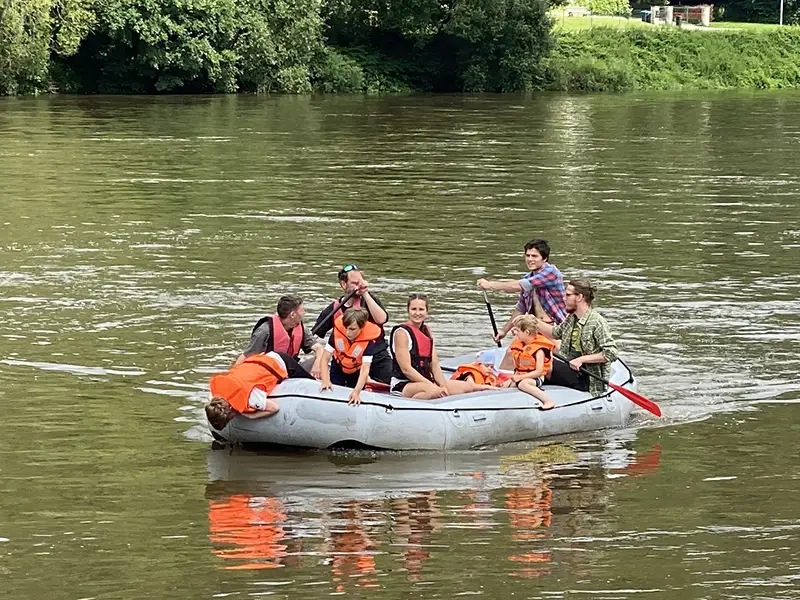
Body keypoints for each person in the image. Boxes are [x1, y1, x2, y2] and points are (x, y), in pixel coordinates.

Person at [390, 293, 494, 399]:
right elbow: (406, 369)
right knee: (434, 392)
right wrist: (432, 385)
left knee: (467, 387)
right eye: (413, 309)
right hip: (404, 384)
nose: (417, 313)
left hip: (425, 381)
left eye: (421, 309)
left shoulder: (426, 332)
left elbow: (434, 365)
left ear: (427, 312)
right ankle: (409, 406)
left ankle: (492, 390)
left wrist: (443, 386)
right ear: (408, 311)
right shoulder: (401, 333)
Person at [537, 278, 618, 397]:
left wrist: (581, 359)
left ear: (579, 297)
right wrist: (533, 323)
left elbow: (611, 353)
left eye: (568, 295)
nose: (564, 299)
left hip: (587, 377)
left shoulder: (597, 322)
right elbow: (555, 333)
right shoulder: (572, 318)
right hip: (569, 368)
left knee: (541, 358)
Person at [476, 239, 567, 344]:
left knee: (548, 352)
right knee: (512, 352)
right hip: (533, 328)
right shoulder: (528, 277)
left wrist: (490, 285)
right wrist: (504, 331)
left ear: (544, 258)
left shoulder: (551, 273)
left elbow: (519, 285)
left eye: (534, 256)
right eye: (527, 256)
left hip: (554, 329)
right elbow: (521, 308)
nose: (530, 259)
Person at [313, 264, 391, 383]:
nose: (358, 286)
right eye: (354, 283)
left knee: (390, 380)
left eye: (360, 282)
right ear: (344, 284)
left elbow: (382, 319)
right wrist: (319, 360)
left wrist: (365, 293)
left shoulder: (370, 300)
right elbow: (315, 336)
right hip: (348, 362)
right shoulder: (334, 309)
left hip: (376, 357)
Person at [205, 351, 313, 430]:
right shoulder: (219, 391)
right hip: (264, 358)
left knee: (311, 383)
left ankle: (316, 362)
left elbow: (274, 408)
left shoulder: (250, 398)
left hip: (282, 363)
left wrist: (251, 416)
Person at [236, 295, 323, 369]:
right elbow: (246, 356)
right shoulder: (264, 331)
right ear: (292, 315)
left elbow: (319, 348)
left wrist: (317, 366)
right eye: (302, 310)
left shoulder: (301, 328)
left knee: (320, 359)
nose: (304, 313)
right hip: (269, 371)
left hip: (290, 369)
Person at [318, 307, 382, 406]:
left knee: (355, 394)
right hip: (338, 367)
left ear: (361, 327)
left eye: (352, 329)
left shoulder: (368, 343)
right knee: (334, 391)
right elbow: (325, 358)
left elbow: (365, 369)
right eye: (346, 328)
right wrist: (325, 380)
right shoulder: (337, 334)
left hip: (356, 371)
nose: (347, 332)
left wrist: (356, 392)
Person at [502, 315, 556, 410]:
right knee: (506, 385)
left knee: (523, 384)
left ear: (526, 332)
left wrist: (520, 377)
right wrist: (514, 379)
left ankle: (548, 401)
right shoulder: (521, 346)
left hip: (536, 378)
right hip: (521, 375)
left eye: (517, 331)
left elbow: (539, 372)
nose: (515, 333)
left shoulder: (539, 350)